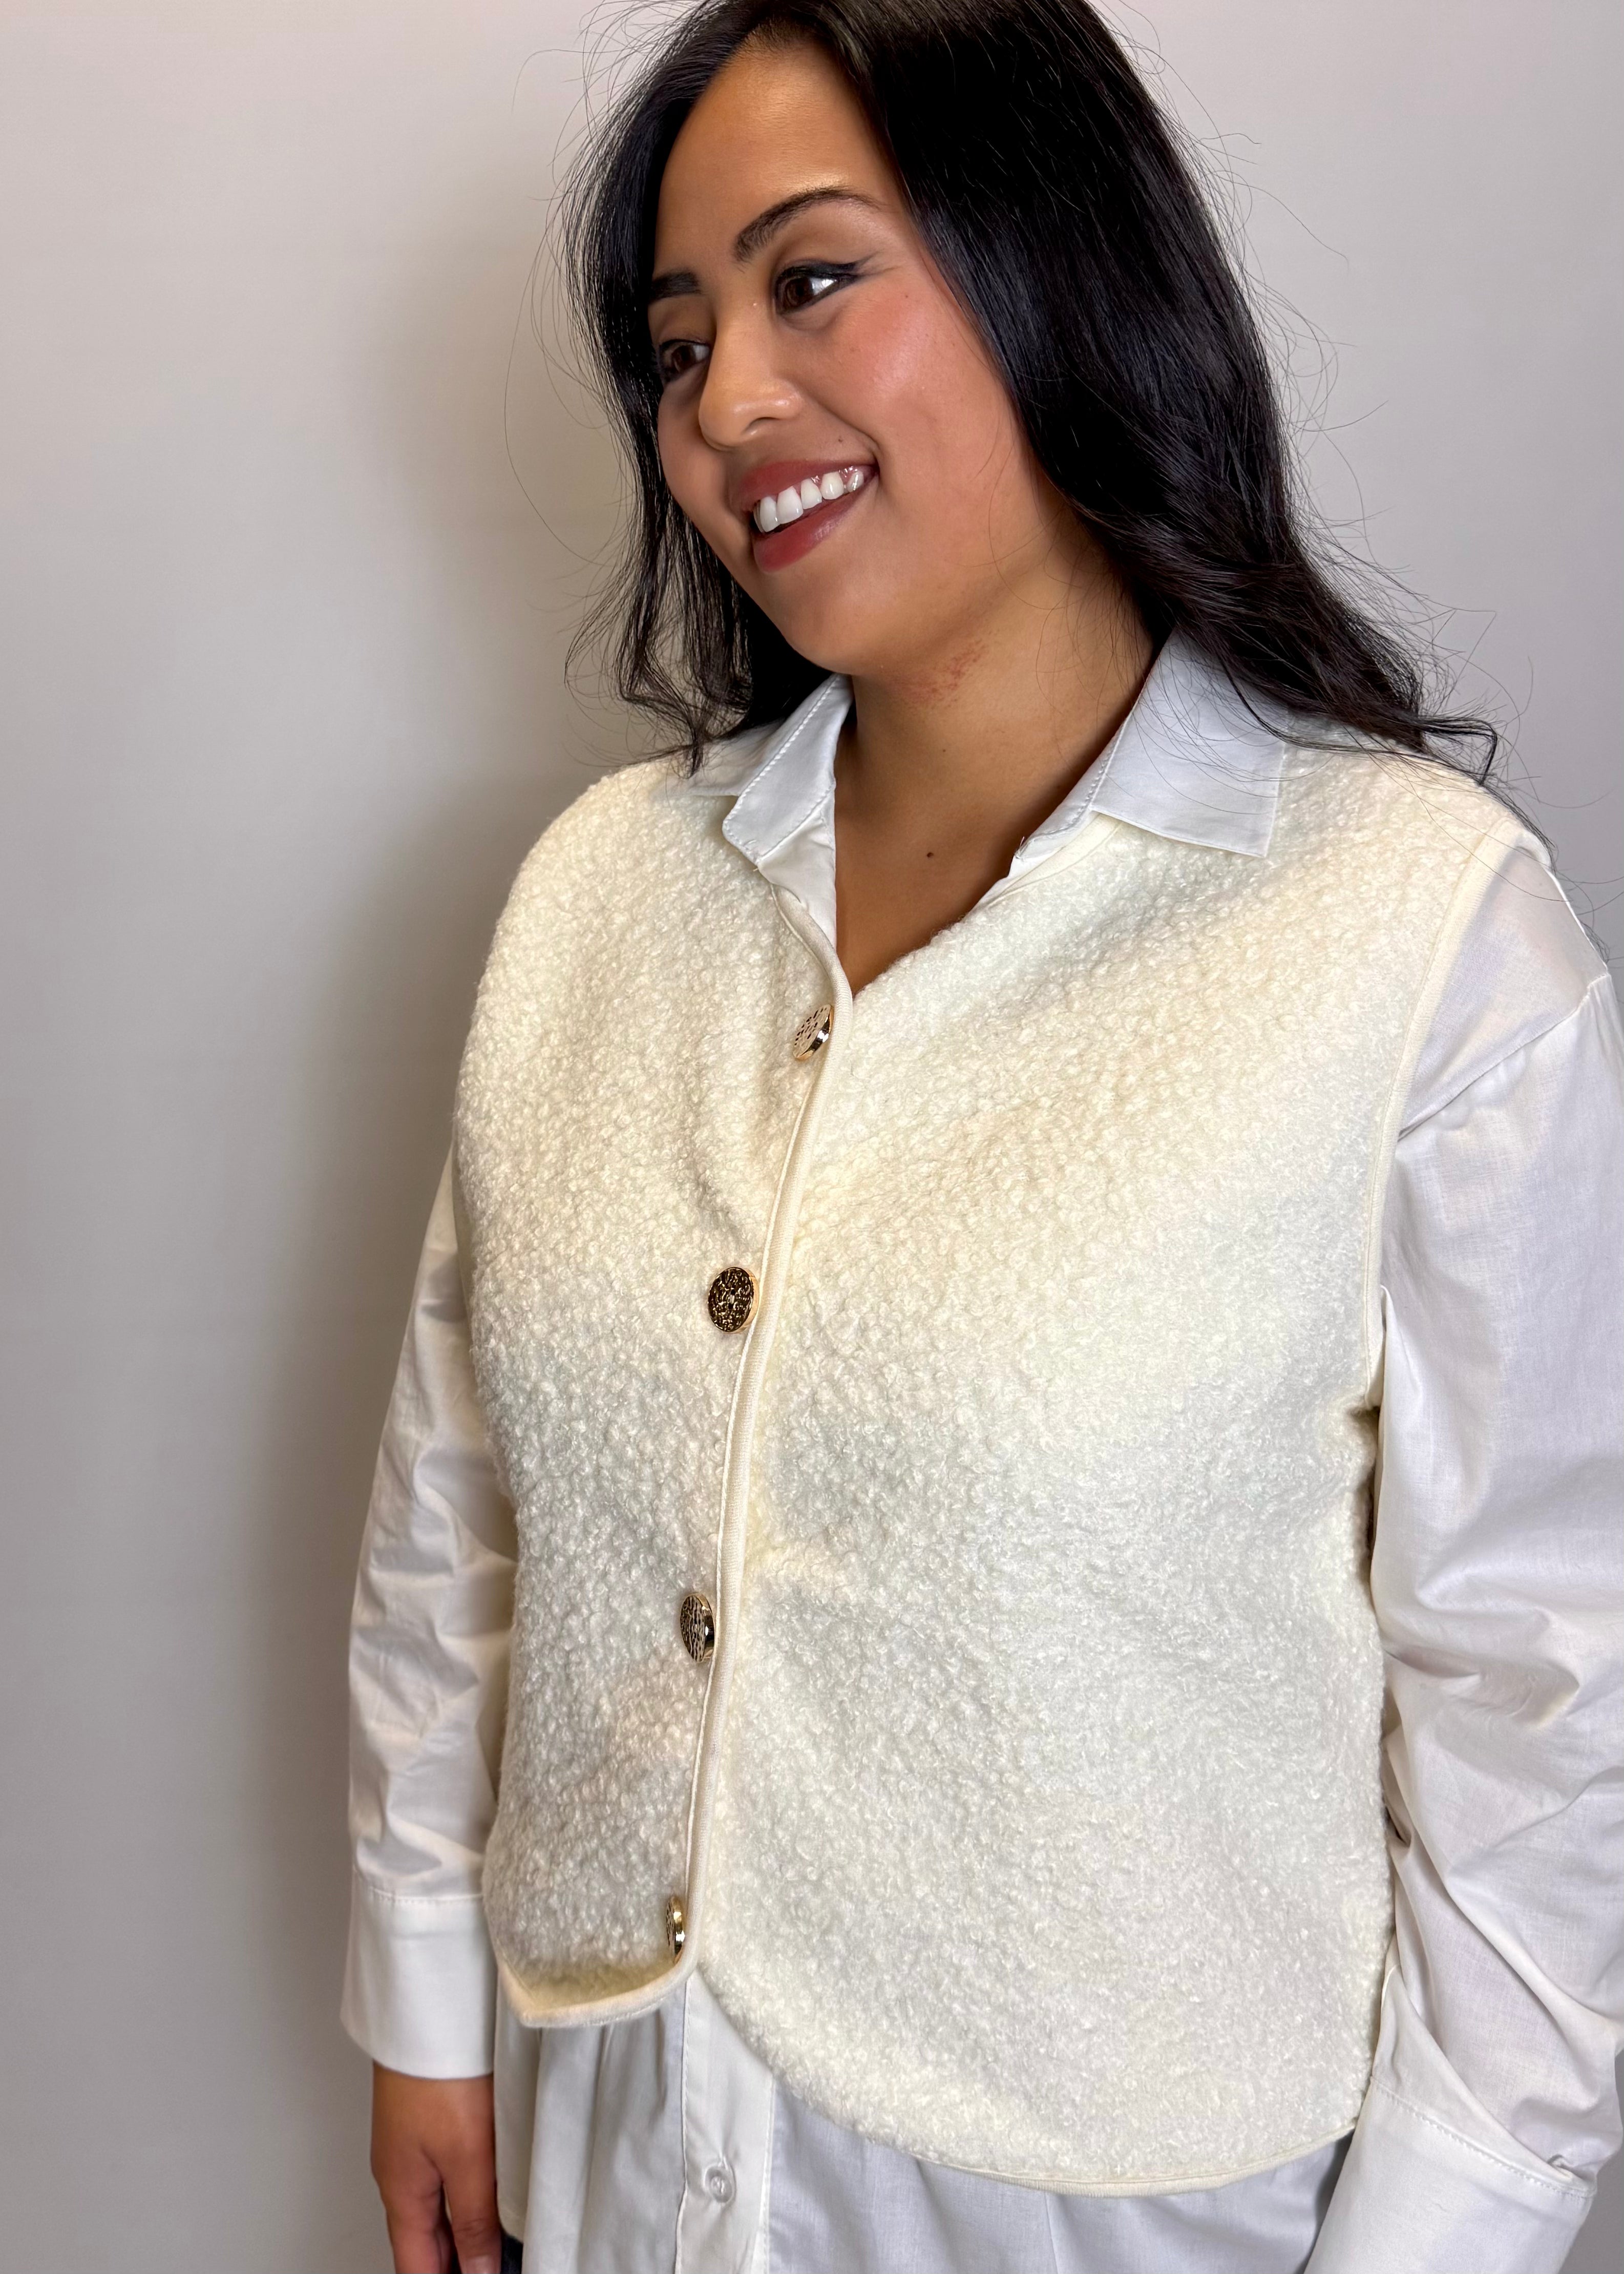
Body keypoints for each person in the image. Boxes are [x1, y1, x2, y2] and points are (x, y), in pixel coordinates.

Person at [341, 4, 1624, 2270]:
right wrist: (426, 1996)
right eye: (675, 336)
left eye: (811, 276)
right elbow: (464, 1498)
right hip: (623, 2144)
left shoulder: (1417, 936)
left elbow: (1543, 1697)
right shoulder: (597, 905)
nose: (725, 403)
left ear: (1064, 276)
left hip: (1130, 2209)